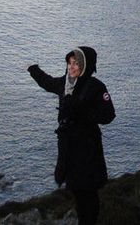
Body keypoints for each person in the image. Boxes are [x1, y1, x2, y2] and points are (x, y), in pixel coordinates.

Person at [28, 46, 115, 225]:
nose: (71, 66)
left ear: (86, 65)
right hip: (69, 149)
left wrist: (84, 114)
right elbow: (47, 82)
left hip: (87, 148)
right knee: (76, 189)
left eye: (76, 63)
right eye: (69, 62)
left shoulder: (96, 87)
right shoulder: (64, 83)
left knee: (88, 192)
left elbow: (108, 115)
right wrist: (32, 69)